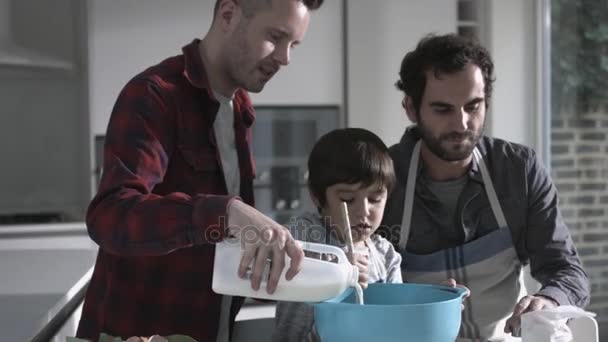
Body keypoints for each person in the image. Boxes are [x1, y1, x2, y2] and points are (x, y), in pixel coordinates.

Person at [76, 0, 323, 341]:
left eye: (293, 44)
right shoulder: (155, 95)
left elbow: (213, 242)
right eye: (275, 37)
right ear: (228, 15)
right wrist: (225, 212)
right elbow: (110, 215)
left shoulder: (239, 109)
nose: (285, 58)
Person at [380, 33, 590, 341]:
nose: (462, 124)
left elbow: (567, 270)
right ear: (411, 108)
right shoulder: (381, 178)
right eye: (443, 109)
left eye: (473, 106)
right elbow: (352, 286)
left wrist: (549, 300)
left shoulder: (519, 170)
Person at [272, 128, 403, 342]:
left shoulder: (386, 256)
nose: (363, 211)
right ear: (317, 197)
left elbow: (397, 321)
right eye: (348, 199)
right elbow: (293, 260)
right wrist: (339, 270)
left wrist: (438, 302)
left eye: (375, 199)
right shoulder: (305, 233)